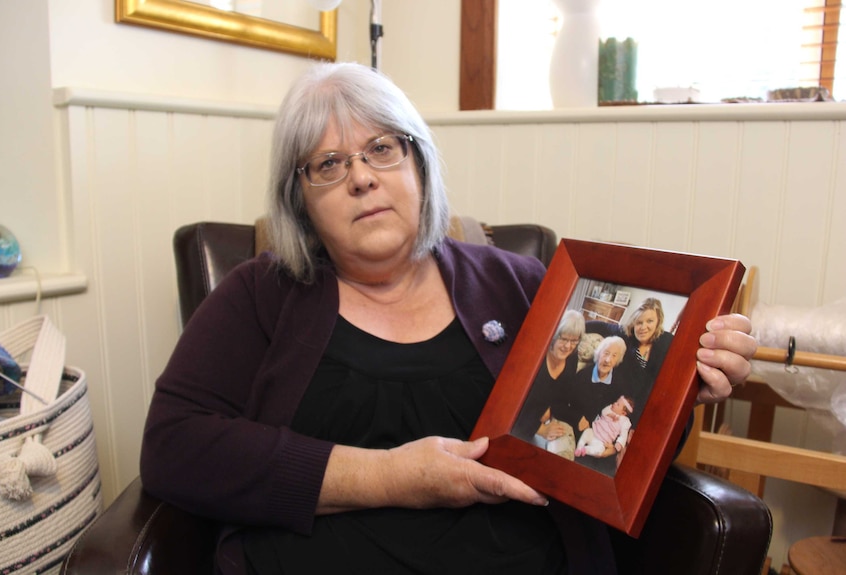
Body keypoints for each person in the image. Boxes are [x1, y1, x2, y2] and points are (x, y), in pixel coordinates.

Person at [139, 62, 758, 575]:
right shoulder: (259, 296)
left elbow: (597, 442)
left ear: (420, 165)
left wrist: (675, 389)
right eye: (328, 164)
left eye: (382, 148)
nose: (360, 177)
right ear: (299, 201)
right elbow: (173, 448)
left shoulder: (516, 285)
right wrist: (388, 478)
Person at [511, 309, 585, 459]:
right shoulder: (535, 357)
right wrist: (539, 429)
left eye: (574, 341)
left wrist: (551, 410)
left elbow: (564, 395)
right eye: (563, 338)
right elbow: (511, 401)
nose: (568, 346)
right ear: (553, 335)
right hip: (521, 421)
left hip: (547, 416)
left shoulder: (571, 359)